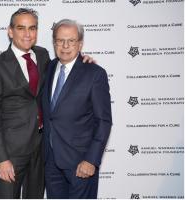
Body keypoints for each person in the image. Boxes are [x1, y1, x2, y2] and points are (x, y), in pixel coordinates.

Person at [0, 8, 94, 199]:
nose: (27, 34)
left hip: (41, 149)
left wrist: (82, 61)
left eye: (32, 28)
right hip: (11, 152)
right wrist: (1, 159)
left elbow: (64, 68)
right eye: (21, 28)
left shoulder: (43, 56)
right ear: (10, 31)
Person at [42, 19, 112, 199]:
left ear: (80, 43)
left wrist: (91, 160)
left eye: (71, 41)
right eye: (60, 40)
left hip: (80, 163)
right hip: (51, 162)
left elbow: (103, 121)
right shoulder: (48, 67)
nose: (65, 46)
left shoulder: (95, 74)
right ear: (54, 42)